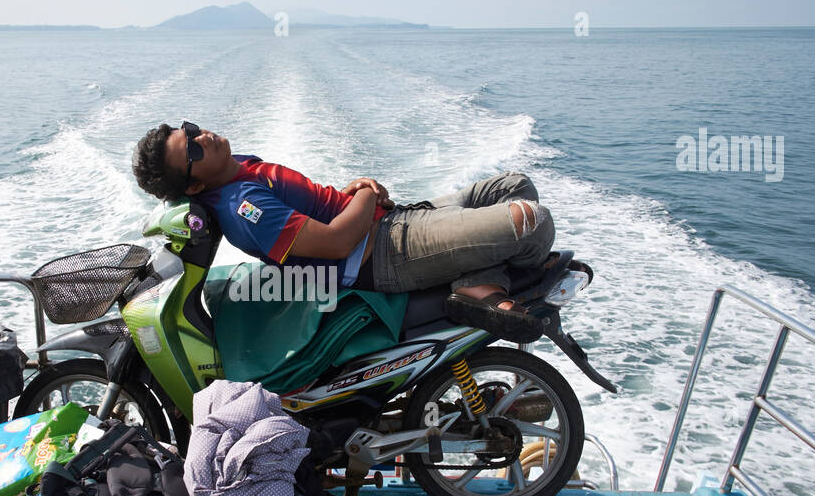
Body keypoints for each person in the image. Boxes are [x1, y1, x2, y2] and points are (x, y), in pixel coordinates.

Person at [130, 121, 557, 342]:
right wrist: (367, 194)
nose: (200, 135)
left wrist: (355, 194)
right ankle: (480, 283)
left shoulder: (238, 165)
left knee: (513, 185)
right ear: (194, 186)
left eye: (188, 130)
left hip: (390, 222)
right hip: (386, 252)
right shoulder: (243, 208)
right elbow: (335, 244)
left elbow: (317, 205)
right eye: (193, 148)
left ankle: (477, 281)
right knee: (532, 221)